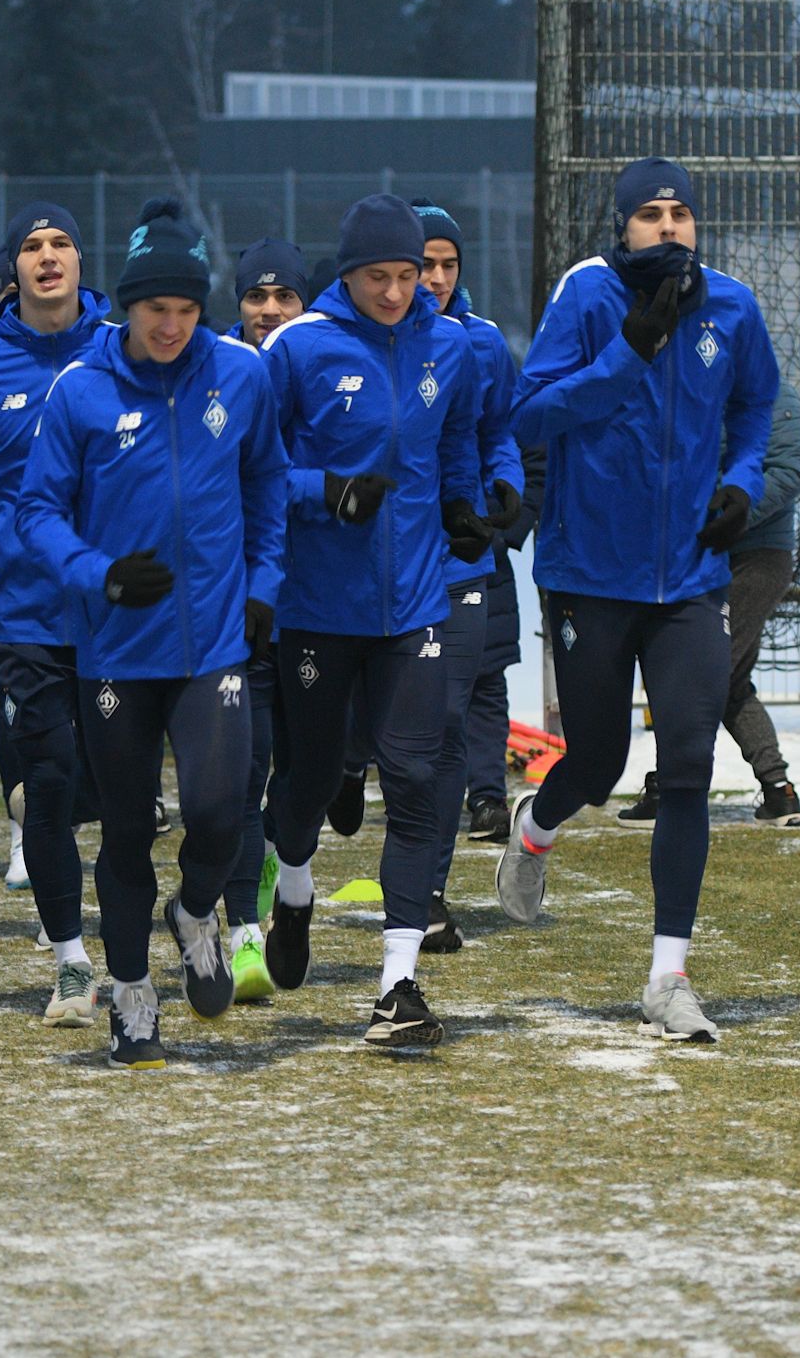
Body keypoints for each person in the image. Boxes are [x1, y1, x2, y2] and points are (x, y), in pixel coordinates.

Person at [498, 157, 780, 1043]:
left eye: (681, 212)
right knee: (598, 762)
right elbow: (529, 415)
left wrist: (739, 484)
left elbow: (758, 406)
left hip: (691, 580)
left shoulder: (732, 306)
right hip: (589, 573)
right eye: (650, 213)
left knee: (688, 766)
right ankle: (535, 826)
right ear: (622, 227)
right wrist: (633, 351)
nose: (667, 226)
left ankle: (669, 975)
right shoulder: (586, 296)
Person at [19, 197, 285, 1068]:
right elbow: (37, 513)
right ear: (125, 307)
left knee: (218, 811)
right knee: (127, 829)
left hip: (213, 641)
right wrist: (99, 574)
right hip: (116, 650)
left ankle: (197, 909)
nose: (171, 326)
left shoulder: (240, 375)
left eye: (184, 310)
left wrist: (264, 585)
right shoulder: (80, 391)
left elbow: (268, 489)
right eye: (153, 309)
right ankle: (133, 997)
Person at [258, 193, 489, 1047]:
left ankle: (399, 985)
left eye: (409, 276)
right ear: (347, 274)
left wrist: (466, 505)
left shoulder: (449, 344)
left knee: (417, 777)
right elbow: (254, 471)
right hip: (319, 607)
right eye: (379, 277)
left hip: (417, 602)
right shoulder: (298, 349)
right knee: (312, 781)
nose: (398, 292)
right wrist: (325, 492)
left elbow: (457, 442)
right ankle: (292, 890)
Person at [0, 199, 112, 1026]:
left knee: (118, 790)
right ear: (13, 269)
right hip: (22, 614)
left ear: (83, 262)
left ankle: (171, 929)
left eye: (62, 244)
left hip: (121, 612)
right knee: (47, 782)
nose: (49, 258)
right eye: (33, 248)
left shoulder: (124, 354)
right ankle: (72, 963)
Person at [406, 198, 527, 950]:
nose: (438, 279)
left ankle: (429, 891)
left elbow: (502, 434)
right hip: (386, 568)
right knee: (396, 737)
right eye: (426, 265)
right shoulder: (367, 346)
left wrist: (507, 492)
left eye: (450, 265)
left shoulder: (484, 344)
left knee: (448, 723)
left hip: (464, 563)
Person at [620, 379, 800, 828]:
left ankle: (673, 784)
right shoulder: (690, 390)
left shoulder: (773, 394)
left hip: (756, 556)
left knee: (704, 674)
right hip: (699, 553)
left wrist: (728, 514)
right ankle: (778, 790)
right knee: (729, 680)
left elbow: (787, 473)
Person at [218, 237, 310, 999]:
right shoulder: (223, 375)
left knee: (310, 771)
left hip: (318, 610)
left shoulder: (320, 364)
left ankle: (281, 866)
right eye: (257, 298)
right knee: (244, 771)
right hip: (243, 608)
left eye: (284, 298)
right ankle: (244, 929)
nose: (270, 311)